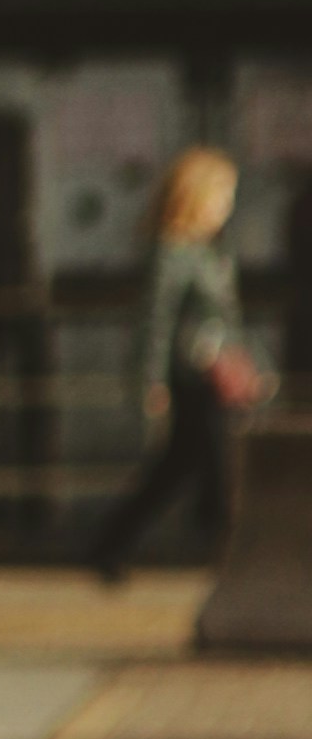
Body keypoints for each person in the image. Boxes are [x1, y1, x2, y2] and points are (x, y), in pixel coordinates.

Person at [92, 141, 265, 584]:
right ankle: (229, 553)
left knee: (179, 468)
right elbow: (156, 320)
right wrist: (150, 381)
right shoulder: (172, 252)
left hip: (216, 377)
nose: (227, 206)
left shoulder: (211, 253)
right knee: (217, 469)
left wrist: (252, 367)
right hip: (192, 380)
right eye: (222, 195)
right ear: (196, 196)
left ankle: (112, 544)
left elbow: (227, 322)